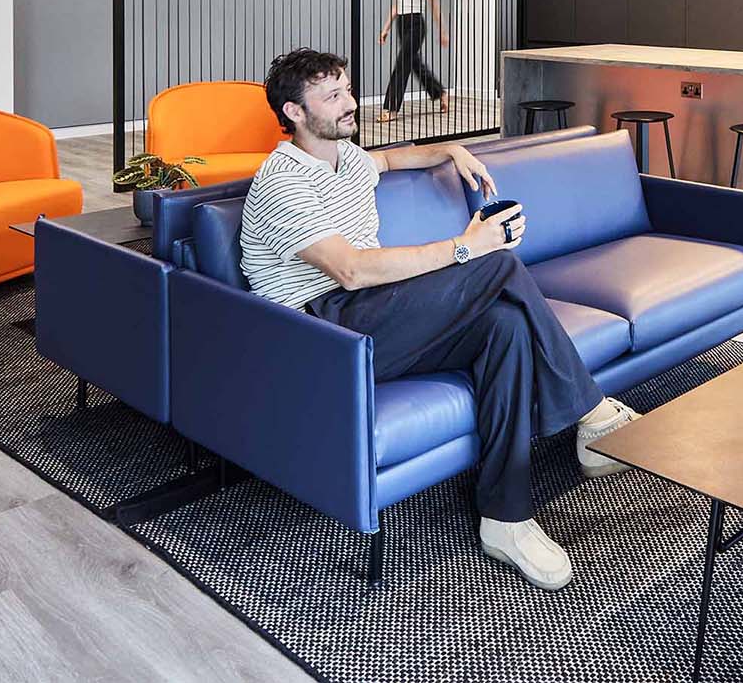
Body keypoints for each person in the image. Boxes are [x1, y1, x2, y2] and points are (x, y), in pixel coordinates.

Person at [239, 47, 639, 590]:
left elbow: (392, 159)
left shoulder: (345, 157)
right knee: (494, 260)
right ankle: (590, 410)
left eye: (348, 89)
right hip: (323, 332)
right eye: (332, 97)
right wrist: (464, 247)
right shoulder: (284, 181)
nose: (350, 103)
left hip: (373, 317)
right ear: (293, 113)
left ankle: (506, 517)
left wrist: (452, 148)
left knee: (507, 328)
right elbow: (351, 271)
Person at [376, 0, 447, 123]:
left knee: (402, 64)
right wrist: (386, 28)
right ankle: (439, 92)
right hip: (402, 23)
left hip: (417, 24)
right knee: (413, 62)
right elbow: (395, 6)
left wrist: (442, 31)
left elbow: (435, 8)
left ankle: (390, 108)